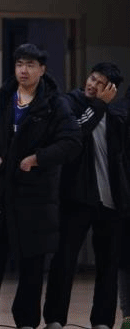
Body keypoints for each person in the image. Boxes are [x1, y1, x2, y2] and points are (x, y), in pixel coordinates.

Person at [0, 43, 81, 329]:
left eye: (30, 65)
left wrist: (38, 158)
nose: (24, 70)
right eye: (19, 64)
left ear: (42, 69)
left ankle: (27, 321)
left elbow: (71, 142)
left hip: (36, 196)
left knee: (32, 266)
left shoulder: (56, 104)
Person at [43, 62, 127, 329]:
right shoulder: (69, 103)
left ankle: (102, 321)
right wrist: (99, 105)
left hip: (110, 200)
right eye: (92, 78)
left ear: (111, 90)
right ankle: (55, 319)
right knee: (64, 260)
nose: (92, 85)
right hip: (76, 197)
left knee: (108, 265)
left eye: (100, 83)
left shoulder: (116, 116)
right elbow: (75, 133)